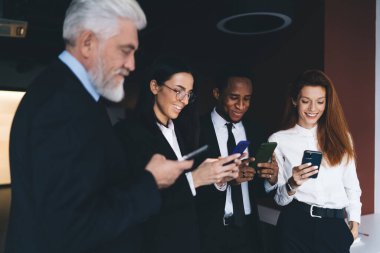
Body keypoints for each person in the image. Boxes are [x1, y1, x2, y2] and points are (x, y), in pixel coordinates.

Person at [5, 1, 194, 253]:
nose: (132, 64)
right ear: (87, 43)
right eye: (125, 50)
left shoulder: (68, 95)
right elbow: (71, 228)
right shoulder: (61, 106)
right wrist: (151, 181)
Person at [114, 57, 241, 253]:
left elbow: (191, 198)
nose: (184, 101)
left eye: (189, 94)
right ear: (155, 86)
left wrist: (217, 177)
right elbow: (137, 201)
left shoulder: (184, 133)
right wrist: (194, 179)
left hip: (188, 241)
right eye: (178, 91)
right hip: (153, 243)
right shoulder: (129, 134)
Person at [268, 69, 362, 253]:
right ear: (295, 101)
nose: (313, 108)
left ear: (327, 103)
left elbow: (351, 185)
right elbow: (279, 199)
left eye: (320, 102)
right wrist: (292, 183)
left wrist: (355, 223)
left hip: (334, 228)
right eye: (305, 101)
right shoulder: (277, 140)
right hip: (295, 226)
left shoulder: (343, 138)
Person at [196, 68, 279, 253]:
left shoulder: (257, 131)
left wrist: (271, 178)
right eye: (234, 97)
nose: (241, 105)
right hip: (210, 233)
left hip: (249, 232)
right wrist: (224, 180)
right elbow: (188, 189)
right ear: (217, 93)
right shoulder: (196, 131)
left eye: (247, 99)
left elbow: (259, 189)